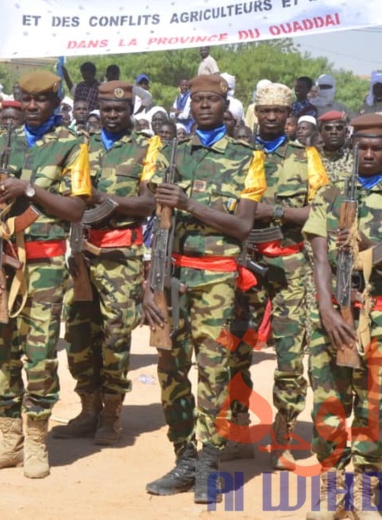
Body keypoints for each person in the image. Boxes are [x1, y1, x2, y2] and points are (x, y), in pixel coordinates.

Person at [142, 73, 265, 503]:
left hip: (216, 276)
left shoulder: (245, 157)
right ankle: (185, 459)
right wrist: (147, 283)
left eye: (213, 100)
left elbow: (244, 226)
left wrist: (190, 204)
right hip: (169, 275)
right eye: (198, 100)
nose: (205, 106)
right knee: (170, 369)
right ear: (188, 105)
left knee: (213, 373)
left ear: (226, 103)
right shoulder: (172, 151)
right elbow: (152, 221)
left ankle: (210, 463)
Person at [303, 113, 382, 520]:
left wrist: (366, 242)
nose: (370, 153)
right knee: (328, 402)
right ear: (352, 148)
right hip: (333, 313)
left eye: (378, 146)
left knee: (376, 405)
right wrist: (326, 309)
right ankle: (331, 486)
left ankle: (363, 489)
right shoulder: (328, 196)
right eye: (363, 146)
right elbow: (319, 258)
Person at [0, 70, 90, 479]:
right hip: (2, 263)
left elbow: (77, 210)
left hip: (45, 265)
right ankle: (10, 440)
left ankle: (37, 441)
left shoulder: (72, 145)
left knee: (38, 356)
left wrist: (32, 191)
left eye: (41, 101)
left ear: (56, 104)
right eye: (27, 100)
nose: (33, 107)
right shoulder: (3, 142)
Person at [55, 80, 161, 445]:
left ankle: (111, 415)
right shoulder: (80, 145)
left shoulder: (147, 148)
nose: (113, 115)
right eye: (108, 109)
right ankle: (88, 409)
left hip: (121, 256)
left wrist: (103, 198)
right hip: (82, 251)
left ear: (131, 108)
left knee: (115, 336)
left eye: (120, 108)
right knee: (80, 333)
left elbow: (148, 204)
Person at [235, 83, 329, 471]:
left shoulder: (307, 157)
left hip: (291, 265)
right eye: (264, 111)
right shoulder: (239, 155)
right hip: (244, 263)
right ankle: (238, 428)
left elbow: (322, 211)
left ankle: (284, 436)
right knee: (235, 348)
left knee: (291, 356)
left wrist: (273, 213)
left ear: (289, 116)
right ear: (256, 113)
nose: (271, 118)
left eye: (278, 112)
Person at [318, 110, 353, 182]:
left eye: (339, 128)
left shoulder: (355, 160)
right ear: (320, 132)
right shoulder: (312, 159)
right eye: (328, 128)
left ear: (346, 132)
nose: (333, 132)